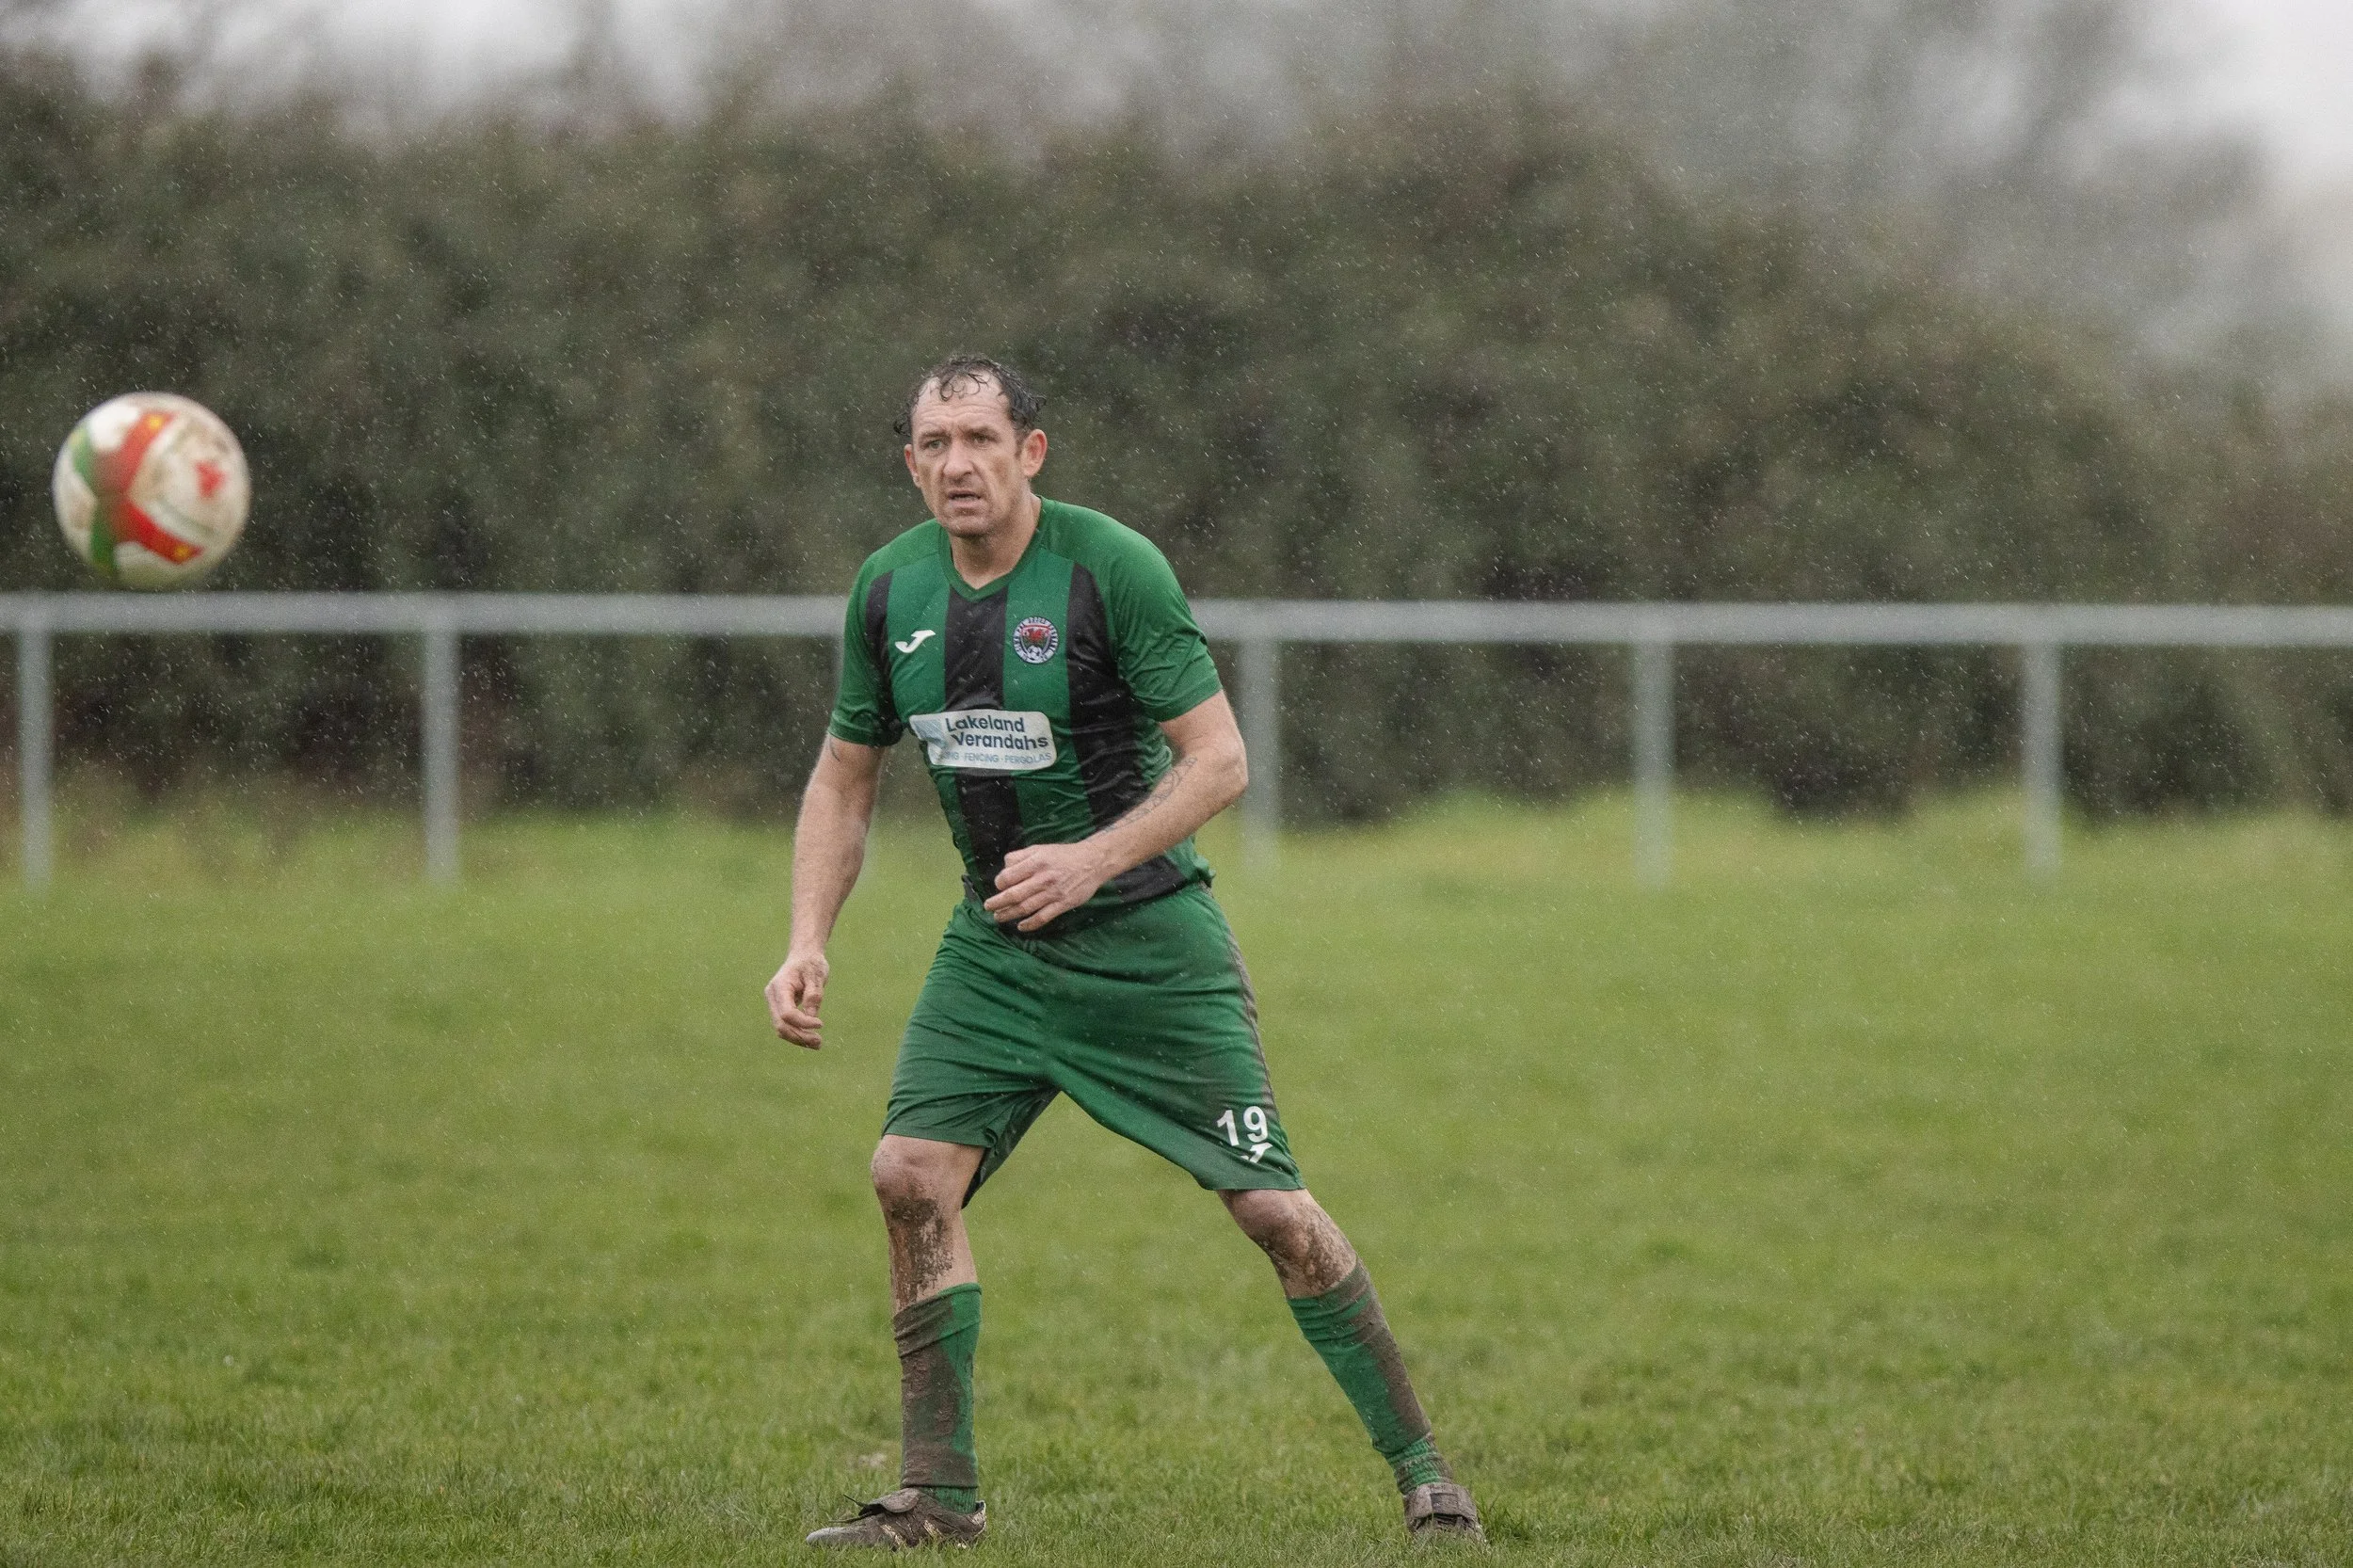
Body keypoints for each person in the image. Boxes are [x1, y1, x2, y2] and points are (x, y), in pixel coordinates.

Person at [764, 356, 1482, 1549]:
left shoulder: (1110, 569)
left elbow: (1220, 761)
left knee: (1273, 1212)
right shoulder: (888, 591)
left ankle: (1425, 1473)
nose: (958, 463)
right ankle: (939, 1496)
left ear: (1031, 451)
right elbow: (844, 777)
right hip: (996, 949)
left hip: (1150, 944)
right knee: (907, 1174)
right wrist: (805, 940)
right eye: (933, 443)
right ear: (909, 462)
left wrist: (1088, 859)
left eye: (981, 438)